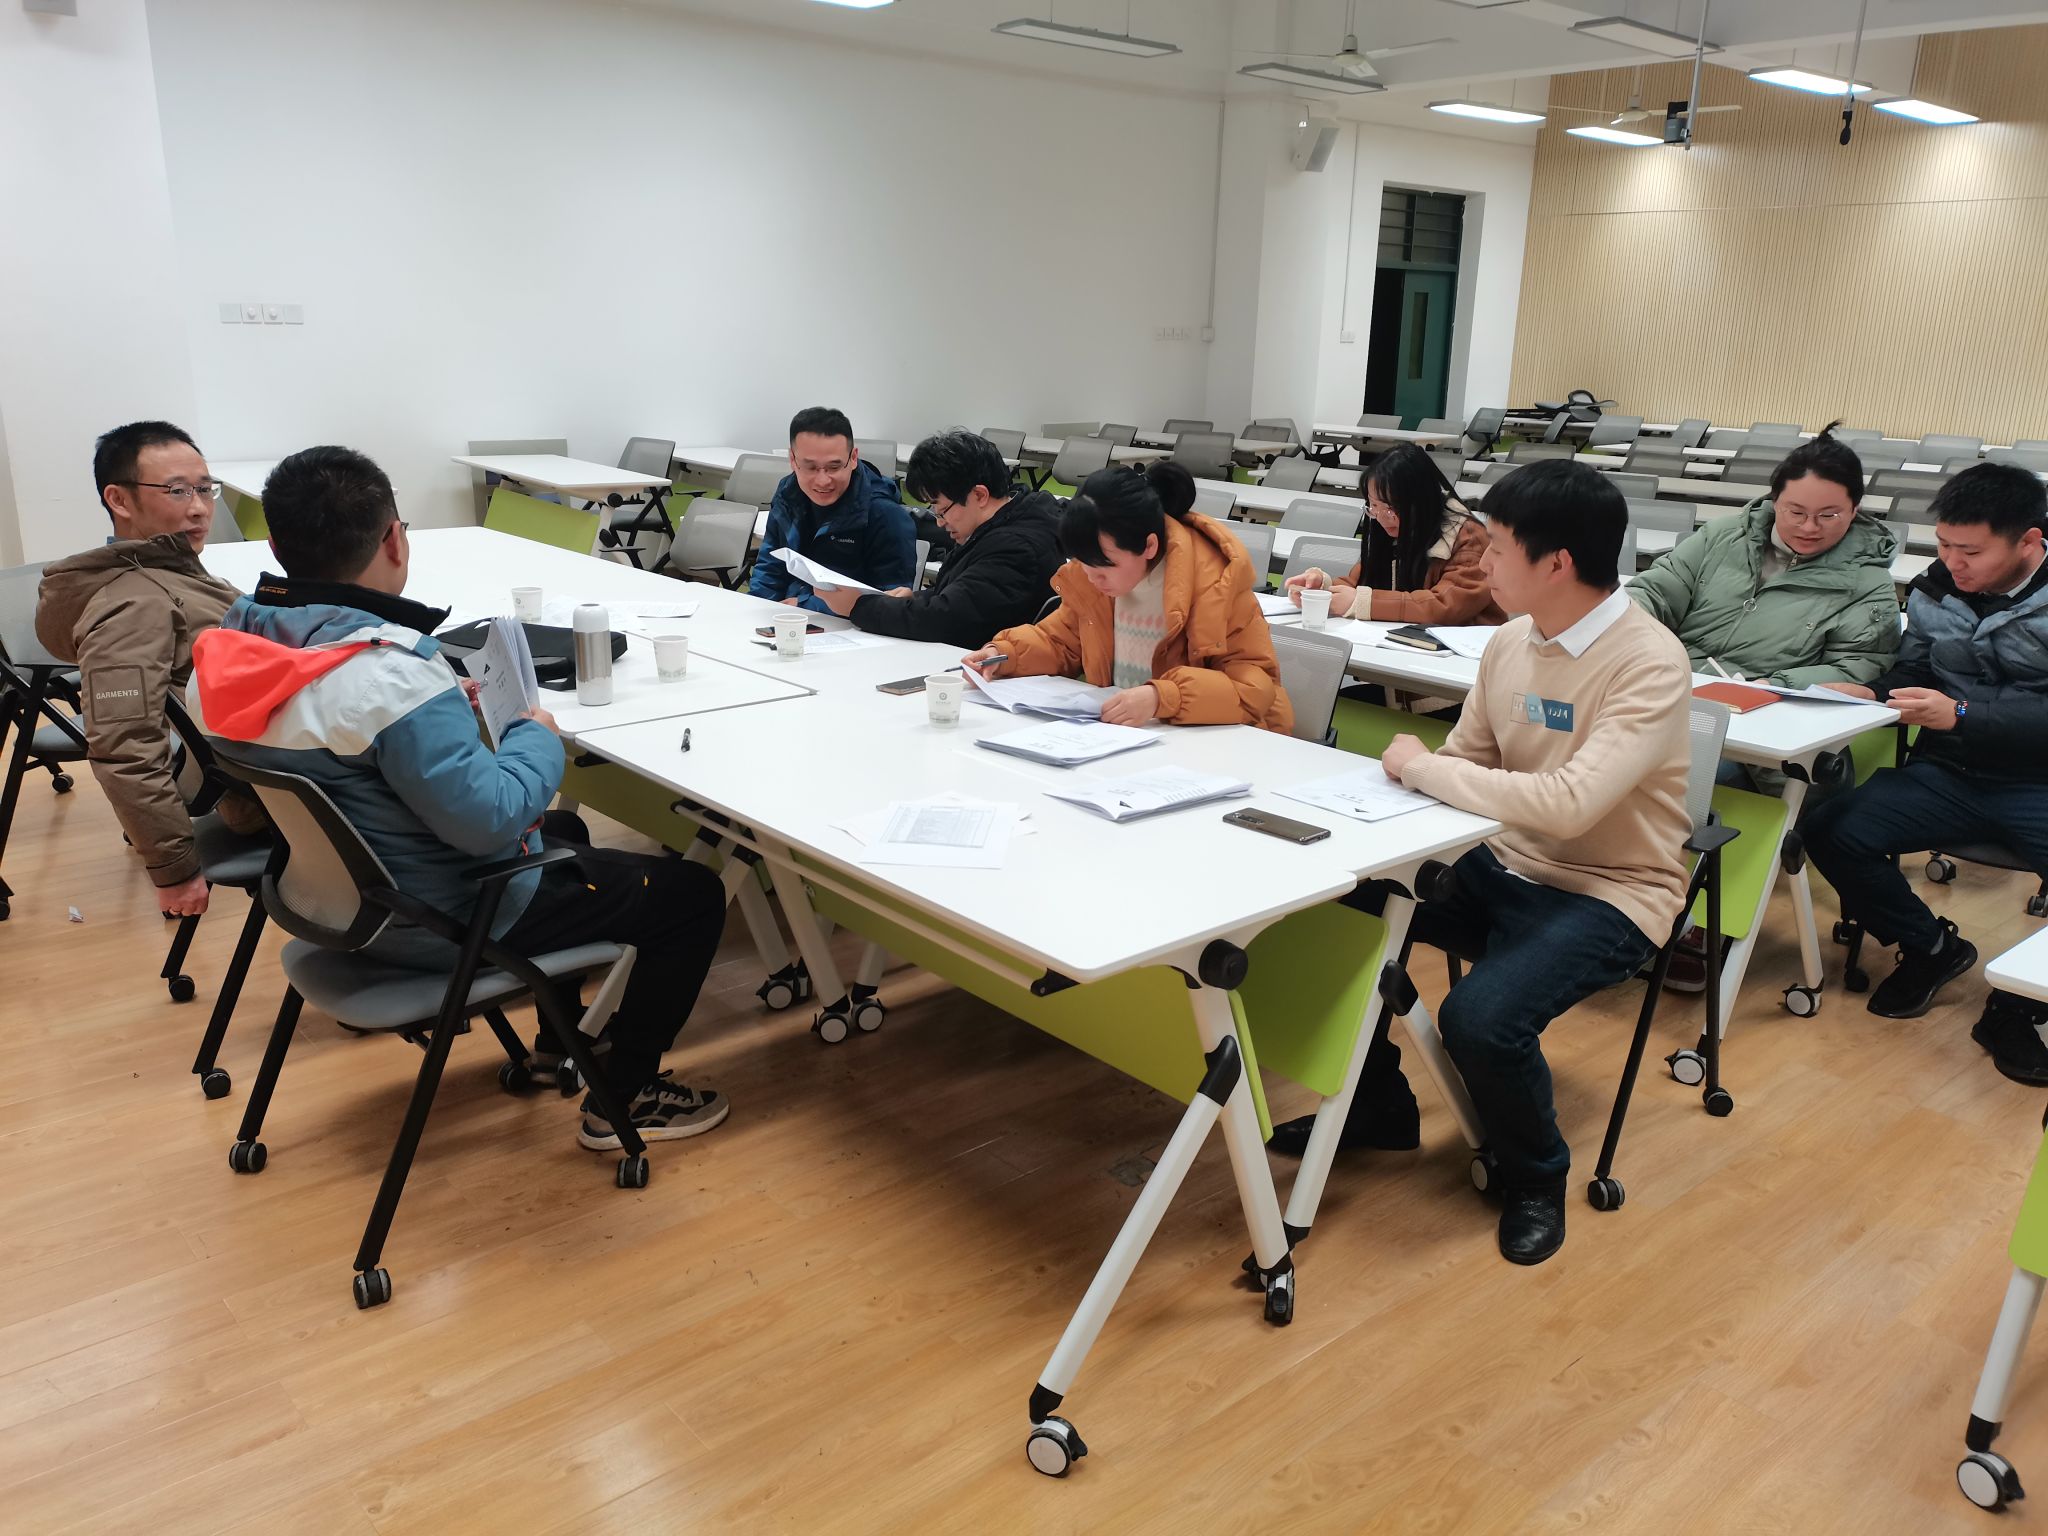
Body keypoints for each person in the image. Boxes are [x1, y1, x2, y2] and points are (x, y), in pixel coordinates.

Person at [184, 446, 730, 1149]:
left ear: (278, 548)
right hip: (439, 921)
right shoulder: (390, 677)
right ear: (393, 539)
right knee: (690, 896)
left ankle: (558, 1046)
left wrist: (437, 719)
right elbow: (491, 821)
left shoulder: (230, 654)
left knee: (566, 833)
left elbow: (345, 753)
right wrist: (533, 736)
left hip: (333, 903)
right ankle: (624, 1098)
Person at [1270, 461, 1692, 1267]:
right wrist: (1413, 788)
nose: (1481, 561)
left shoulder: (1649, 661)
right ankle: (1377, 1103)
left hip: (1612, 892)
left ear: (1557, 562)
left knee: (1480, 1019)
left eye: (1497, 547)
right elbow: (1468, 760)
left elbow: (1569, 803)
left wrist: (1424, 769)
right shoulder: (1509, 641)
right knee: (1339, 899)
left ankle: (1536, 1174)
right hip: (1502, 863)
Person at [1803, 463, 2048, 1074]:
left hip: (2037, 781)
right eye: (1942, 544)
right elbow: (1919, 668)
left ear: (2028, 542)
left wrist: (1962, 713)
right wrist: (1875, 691)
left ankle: (2018, 1007)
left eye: (1972, 551)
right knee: (1831, 828)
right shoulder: (1936, 587)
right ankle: (1931, 946)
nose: (1953, 562)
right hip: (1952, 772)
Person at [36, 421, 257, 917]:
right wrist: (173, 869)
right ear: (119, 499)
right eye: (178, 491)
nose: (199, 507)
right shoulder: (133, 607)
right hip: (274, 793)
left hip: (275, 766)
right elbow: (125, 748)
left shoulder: (168, 571)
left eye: (205, 489)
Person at [963, 462, 1293, 733]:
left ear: (1149, 546)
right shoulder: (1095, 577)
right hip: (1133, 737)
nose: (1092, 578)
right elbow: (1060, 641)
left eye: (1104, 566)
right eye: (1083, 563)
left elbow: (1254, 687)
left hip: (1226, 743)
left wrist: (1162, 697)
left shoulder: (1214, 585)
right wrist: (1004, 654)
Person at [1628, 425, 1902, 687]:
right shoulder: (1721, 536)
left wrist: (1776, 686)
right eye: (1796, 512)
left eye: (1828, 515)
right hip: (1668, 681)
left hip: (1770, 706)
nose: (1809, 527)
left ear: (1854, 510)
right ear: (1774, 500)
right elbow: (1655, 592)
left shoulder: (1868, 582)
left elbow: (1858, 664)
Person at [812, 429, 1062, 649]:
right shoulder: (1000, 526)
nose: (940, 522)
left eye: (942, 510)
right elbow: (965, 596)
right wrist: (915, 599)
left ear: (979, 495)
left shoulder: (1016, 548)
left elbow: (948, 621)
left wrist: (859, 606)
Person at [1283, 443, 1504, 625]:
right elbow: (1359, 583)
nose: (1381, 518)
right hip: (1399, 643)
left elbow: (1444, 606)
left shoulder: (1467, 536)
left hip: (1460, 653)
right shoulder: (1389, 529)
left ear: (1421, 501)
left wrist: (1365, 603)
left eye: (1390, 508)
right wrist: (1321, 588)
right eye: (1374, 505)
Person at [747, 406, 916, 612]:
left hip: (847, 625)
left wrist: (806, 606)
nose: (823, 480)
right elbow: (771, 564)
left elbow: (891, 601)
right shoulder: (787, 493)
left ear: (853, 458)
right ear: (792, 460)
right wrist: (758, 607)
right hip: (788, 617)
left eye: (834, 467)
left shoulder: (885, 514)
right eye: (810, 467)